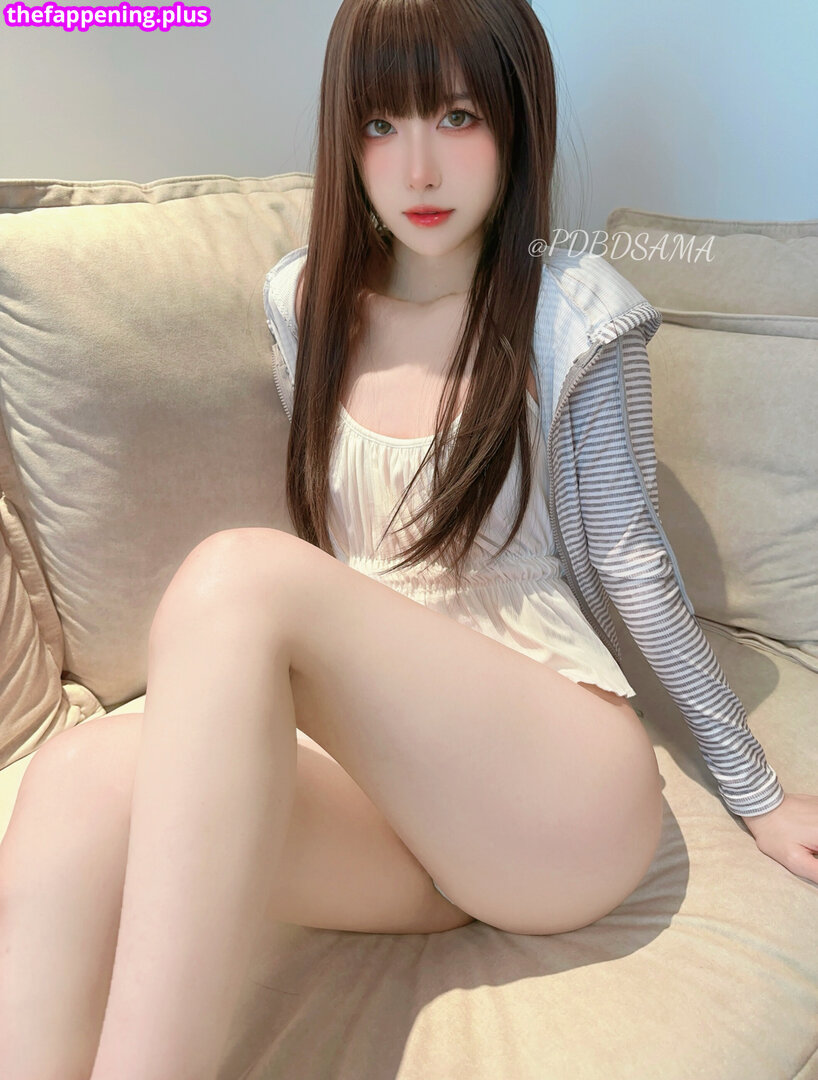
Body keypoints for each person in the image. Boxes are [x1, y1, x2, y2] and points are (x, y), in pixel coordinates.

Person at [2, 2, 816, 1078]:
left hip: (553, 796)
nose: (417, 168)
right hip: (397, 817)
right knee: (72, 780)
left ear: (518, 121)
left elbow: (634, 565)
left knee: (238, 576)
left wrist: (757, 793)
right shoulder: (303, 301)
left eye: (458, 116)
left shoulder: (577, 312)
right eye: (380, 124)